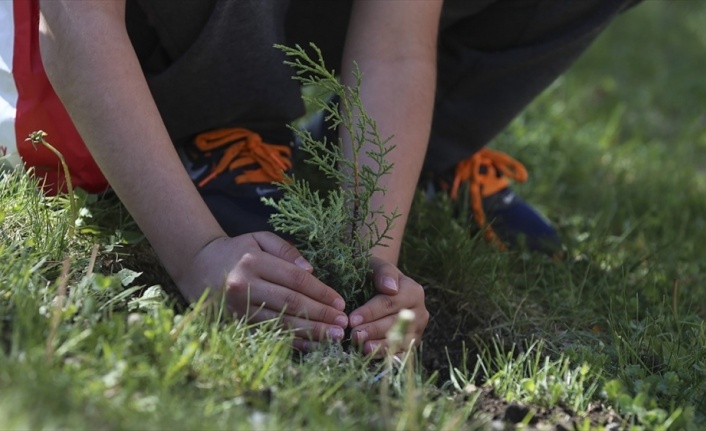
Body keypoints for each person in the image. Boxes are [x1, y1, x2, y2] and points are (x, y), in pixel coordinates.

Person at [36, 0, 640, 355]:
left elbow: (397, 43)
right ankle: (213, 127)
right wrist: (198, 254)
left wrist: (372, 261)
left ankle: (404, 145)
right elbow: (76, 23)